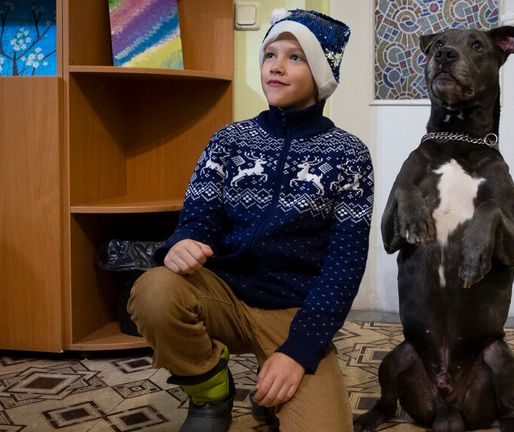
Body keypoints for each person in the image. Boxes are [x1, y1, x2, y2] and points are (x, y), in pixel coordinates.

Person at [127, 8, 373, 432]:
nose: (275, 66)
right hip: (222, 292)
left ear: (321, 72)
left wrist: (299, 350)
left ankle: (274, 392)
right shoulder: (229, 140)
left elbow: (344, 265)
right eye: (269, 54)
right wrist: (183, 241)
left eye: (295, 57)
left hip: (292, 309)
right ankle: (210, 392)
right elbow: (198, 218)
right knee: (153, 290)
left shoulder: (350, 154)